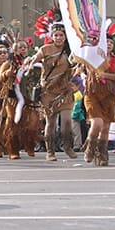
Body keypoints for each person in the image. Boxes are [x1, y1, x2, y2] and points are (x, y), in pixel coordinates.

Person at [29, 24, 76, 161]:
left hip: (64, 90)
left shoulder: (71, 50)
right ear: (52, 36)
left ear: (65, 36)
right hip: (48, 91)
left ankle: (68, 147)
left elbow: (79, 64)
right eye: (56, 35)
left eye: (61, 35)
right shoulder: (45, 49)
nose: (59, 38)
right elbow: (34, 60)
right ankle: (50, 151)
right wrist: (30, 64)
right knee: (51, 122)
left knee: (67, 121)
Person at [83, 35, 115, 166]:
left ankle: (102, 153)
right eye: (106, 42)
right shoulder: (91, 57)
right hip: (92, 94)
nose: (109, 44)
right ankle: (90, 146)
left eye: (111, 42)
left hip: (109, 96)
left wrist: (106, 75)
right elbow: (81, 64)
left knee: (106, 127)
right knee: (97, 123)